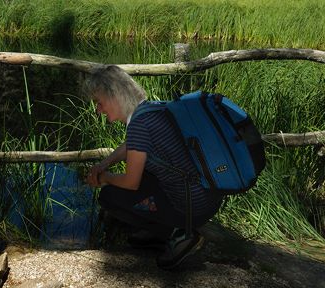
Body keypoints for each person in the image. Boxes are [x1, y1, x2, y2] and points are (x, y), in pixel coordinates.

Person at [84, 65, 223, 270]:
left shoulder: (139, 125)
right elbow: (132, 144)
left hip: (193, 207)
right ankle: (159, 230)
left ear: (115, 96)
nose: (98, 109)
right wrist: (104, 163)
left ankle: (180, 235)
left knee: (110, 196)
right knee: (147, 175)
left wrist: (104, 177)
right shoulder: (154, 108)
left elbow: (132, 183)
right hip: (208, 196)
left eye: (99, 102)